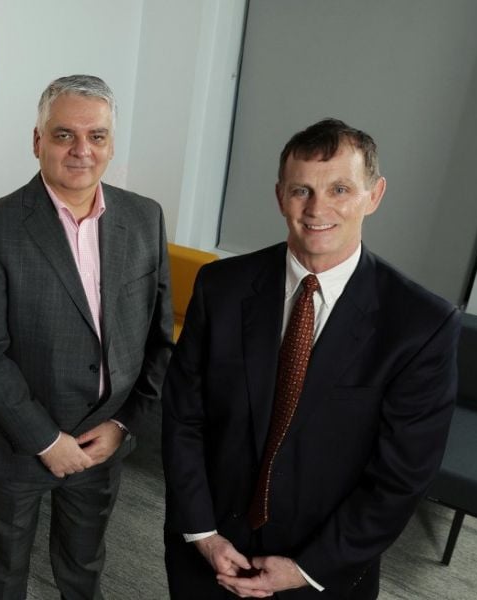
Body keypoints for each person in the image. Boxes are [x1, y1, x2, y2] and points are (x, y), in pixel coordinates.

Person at [162, 118, 460, 599]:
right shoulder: (222, 286)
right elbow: (183, 417)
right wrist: (202, 532)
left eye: (340, 188)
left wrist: (308, 569)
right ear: (280, 196)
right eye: (302, 190)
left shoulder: (421, 325)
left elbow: (401, 478)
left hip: (323, 572)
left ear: (374, 195)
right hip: (208, 553)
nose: (318, 208)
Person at [0, 74, 173, 599]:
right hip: (18, 437)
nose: (81, 151)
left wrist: (122, 424)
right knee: (2, 571)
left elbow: (159, 339)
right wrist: (46, 441)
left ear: (111, 145)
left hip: (103, 437)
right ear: (37, 141)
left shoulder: (145, 217)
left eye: (96, 136)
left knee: (84, 564)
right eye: (63, 135)